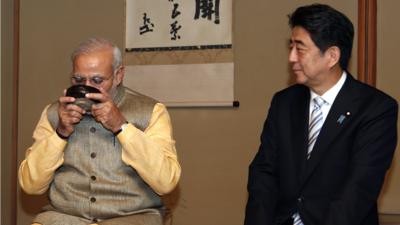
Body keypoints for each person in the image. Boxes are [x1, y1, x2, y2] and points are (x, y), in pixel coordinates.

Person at [244, 4, 398, 225]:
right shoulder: (284, 103)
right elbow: (263, 173)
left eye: (300, 48)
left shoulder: (376, 109)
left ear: (332, 56)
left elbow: (358, 189)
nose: (291, 58)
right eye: (291, 47)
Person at [18, 37, 181, 225]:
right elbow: (31, 186)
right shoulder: (54, 113)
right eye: (78, 80)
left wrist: (122, 127)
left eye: (97, 80)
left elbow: (166, 182)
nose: (87, 88)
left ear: (118, 75)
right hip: (66, 217)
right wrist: (60, 133)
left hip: (131, 218)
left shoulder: (151, 111)